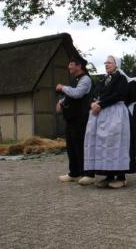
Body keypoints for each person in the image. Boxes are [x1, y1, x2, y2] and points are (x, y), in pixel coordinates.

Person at [84, 55, 131, 189]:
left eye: (109, 62)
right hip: (102, 114)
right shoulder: (102, 79)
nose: (106, 64)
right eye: (105, 62)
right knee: (104, 144)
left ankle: (121, 177)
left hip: (115, 114)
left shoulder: (121, 79)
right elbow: (93, 94)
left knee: (116, 143)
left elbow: (118, 95)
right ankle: (108, 175)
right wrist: (92, 103)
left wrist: (101, 104)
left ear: (116, 64)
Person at [55, 56, 94, 185]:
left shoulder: (86, 79)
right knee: (71, 146)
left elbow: (77, 93)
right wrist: (61, 102)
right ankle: (74, 172)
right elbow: (69, 95)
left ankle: (88, 173)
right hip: (71, 118)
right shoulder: (75, 79)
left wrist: (62, 87)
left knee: (82, 145)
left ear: (79, 66)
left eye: (71, 64)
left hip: (81, 118)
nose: (69, 67)